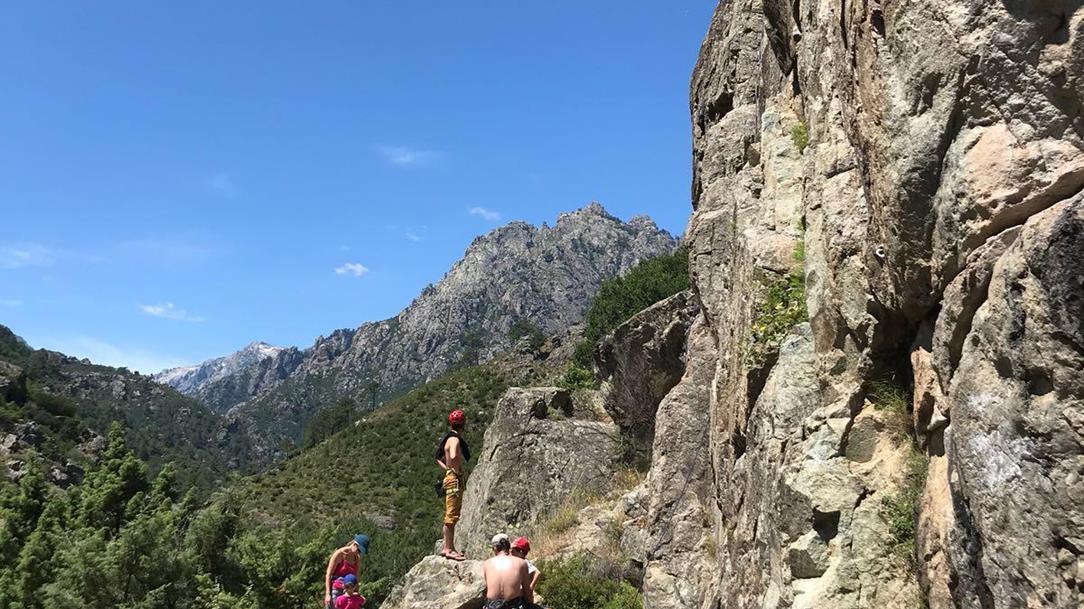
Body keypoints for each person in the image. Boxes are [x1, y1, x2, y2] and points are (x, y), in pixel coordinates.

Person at [435, 408, 471, 560]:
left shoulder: (447, 439)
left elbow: (439, 458)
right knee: (452, 515)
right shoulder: (455, 439)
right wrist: (456, 468)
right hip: (454, 477)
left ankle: (448, 547)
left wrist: (448, 468)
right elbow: (455, 454)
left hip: (449, 476)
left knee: (450, 513)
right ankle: (448, 548)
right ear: (463, 424)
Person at [482, 533, 532, 609]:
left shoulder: (487, 564)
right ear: (509, 546)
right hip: (513, 606)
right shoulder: (521, 563)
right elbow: (528, 592)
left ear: (495, 548)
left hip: (492, 606)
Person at [324, 534, 369, 608]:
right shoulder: (340, 554)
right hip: (336, 590)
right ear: (354, 544)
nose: (358, 553)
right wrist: (327, 594)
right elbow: (328, 574)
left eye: (360, 552)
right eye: (358, 550)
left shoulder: (357, 559)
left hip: (350, 592)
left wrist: (356, 594)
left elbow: (357, 578)